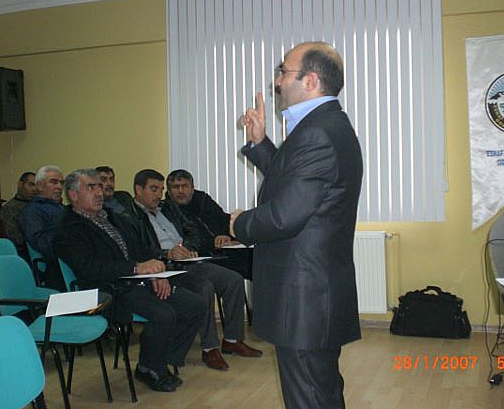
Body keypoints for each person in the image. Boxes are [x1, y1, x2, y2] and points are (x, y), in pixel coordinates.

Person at [230, 41, 363, 409]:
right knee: (319, 393)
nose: (276, 82)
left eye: (283, 72)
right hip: (312, 296)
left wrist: (240, 224)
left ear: (311, 80)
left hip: (305, 298)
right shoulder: (322, 126)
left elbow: (284, 216)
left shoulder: (317, 133)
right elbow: (297, 183)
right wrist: (260, 143)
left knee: (310, 398)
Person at [54, 169, 205, 392]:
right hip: (107, 289)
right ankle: (150, 368)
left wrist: (155, 272)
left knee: (196, 305)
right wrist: (136, 268)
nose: (99, 192)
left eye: (99, 186)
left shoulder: (111, 216)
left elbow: (141, 249)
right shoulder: (68, 229)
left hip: (137, 281)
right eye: (91, 187)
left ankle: (160, 360)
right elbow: (90, 268)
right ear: (73, 195)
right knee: (164, 314)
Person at [118, 169, 262, 371]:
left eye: (160, 189)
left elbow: (192, 230)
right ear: (138, 190)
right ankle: (210, 348)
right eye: (153, 189)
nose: (158, 195)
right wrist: (167, 253)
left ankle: (232, 340)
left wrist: (188, 247)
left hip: (188, 261)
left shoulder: (167, 208)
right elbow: (138, 249)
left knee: (233, 279)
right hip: (165, 268)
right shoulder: (129, 217)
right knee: (204, 287)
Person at [166, 169, 253, 279]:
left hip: (225, 250)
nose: (181, 191)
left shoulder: (203, 200)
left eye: (185, 186)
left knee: (257, 257)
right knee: (242, 271)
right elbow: (189, 237)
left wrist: (225, 235)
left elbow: (224, 219)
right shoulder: (167, 210)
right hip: (203, 256)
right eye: (175, 187)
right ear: (169, 191)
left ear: (192, 188)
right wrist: (213, 243)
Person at [18, 165, 66, 289]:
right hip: (56, 265)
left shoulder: (63, 208)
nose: (59, 187)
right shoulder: (32, 211)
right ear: (39, 185)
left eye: (61, 183)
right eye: (53, 182)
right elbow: (41, 244)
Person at [0, 171, 36, 256]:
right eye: (31, 184)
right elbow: (16, 239)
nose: (34, 189)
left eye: (36, 186)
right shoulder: (9, 209)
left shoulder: (38, 206)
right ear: (20, 184)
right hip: (21, 253)